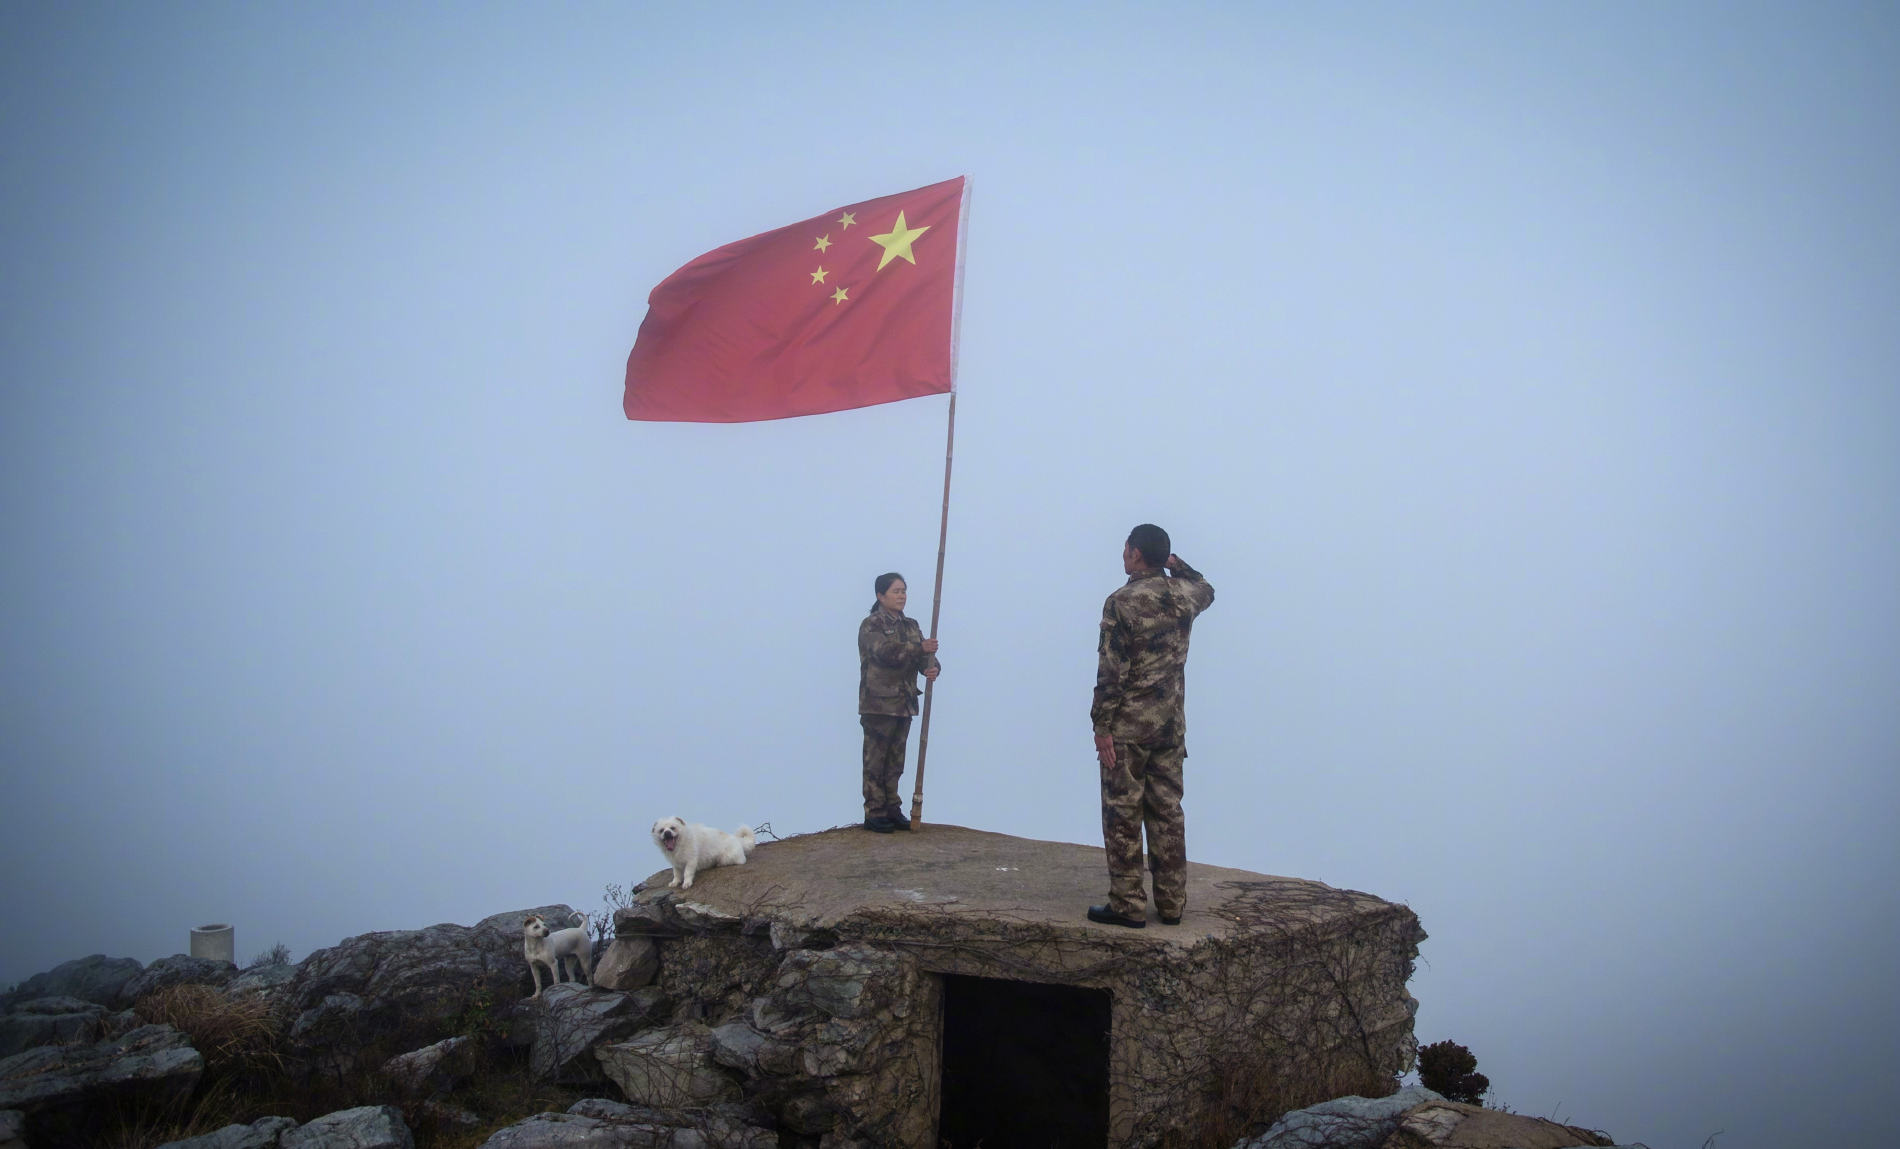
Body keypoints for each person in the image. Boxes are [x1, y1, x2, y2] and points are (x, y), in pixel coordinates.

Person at [1088, 524, 1214, 928]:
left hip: (1128, 728)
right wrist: (1177, 565)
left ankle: (1127, 905)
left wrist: (1101, 725)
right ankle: (1172, 903)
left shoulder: (1121, 602)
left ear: (1135, 554)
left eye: (1127, 549)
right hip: (1170, 725)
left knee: (1123, 813)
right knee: (1167, 811)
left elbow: (1111, 671)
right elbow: (1206, 586)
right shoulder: (1185, 595)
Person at [858, 572, 940, 833]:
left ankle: (893, 808)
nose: (901, 595)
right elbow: (886, 653)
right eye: (895, 591)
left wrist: (932, 667)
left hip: (904, 703)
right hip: (879, 703)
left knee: (896, 761)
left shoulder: (911, 625)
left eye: (904, 590)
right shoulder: (871, 625)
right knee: (876, 760)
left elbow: (923, 659)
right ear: (880, 596)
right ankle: (875, 811)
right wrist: (921, 649)